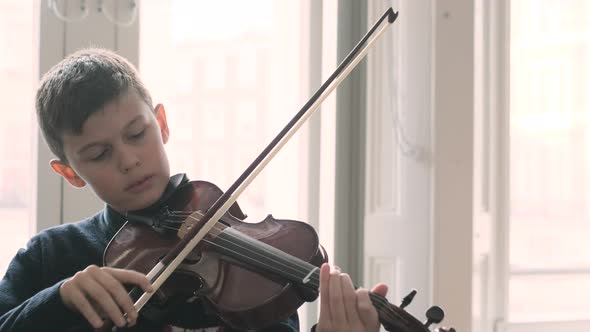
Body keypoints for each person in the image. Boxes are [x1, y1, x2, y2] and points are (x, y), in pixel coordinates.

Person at [0, 48, 388, 331]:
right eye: (99, 154)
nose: (128, 160)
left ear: (162, 123)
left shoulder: (241, 250)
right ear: (70, 173)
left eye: (137, 134)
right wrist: (58, 300)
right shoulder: (49, 257)